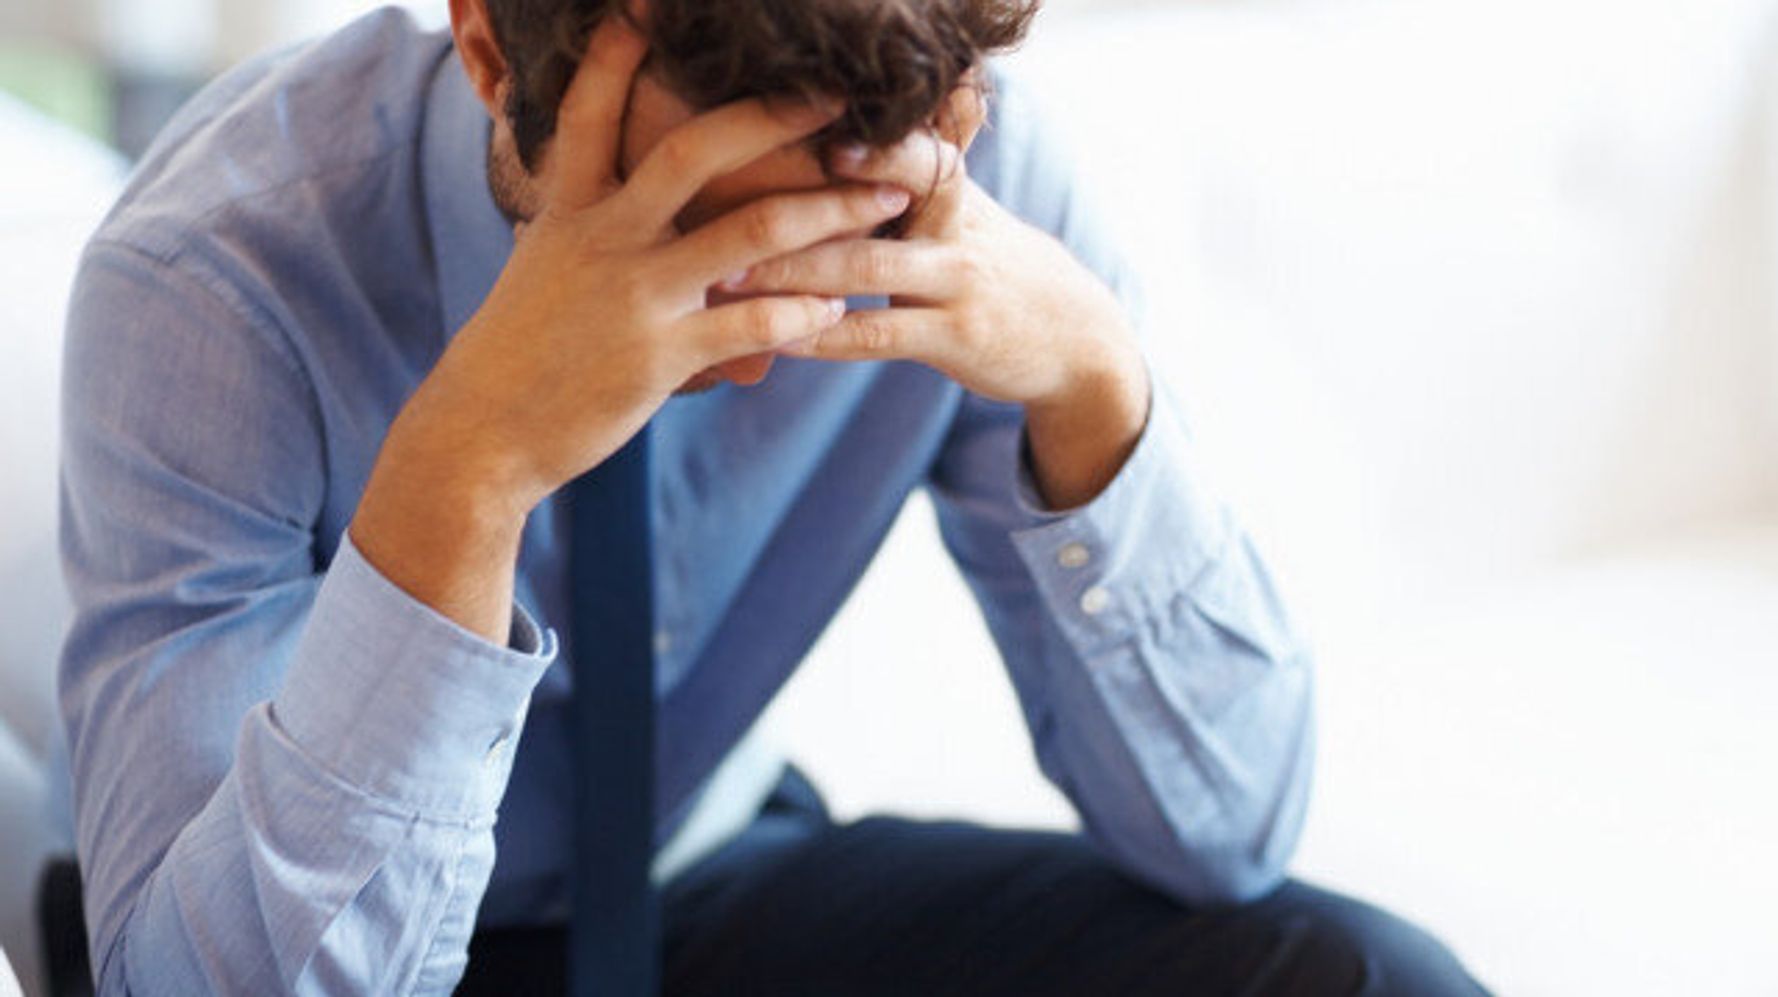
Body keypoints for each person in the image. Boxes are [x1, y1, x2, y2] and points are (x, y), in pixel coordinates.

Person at [57, 0, 1486, 993]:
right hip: (350, 930)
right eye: (686, 227)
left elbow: (1223, 834)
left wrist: (1097, 389)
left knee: (1361, 977)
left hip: (716, 879)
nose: (746, 327)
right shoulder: (223, 270)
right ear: (491, 48)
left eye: (829, 230)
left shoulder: (980, 182)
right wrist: (468, 468)